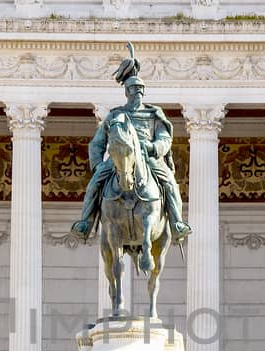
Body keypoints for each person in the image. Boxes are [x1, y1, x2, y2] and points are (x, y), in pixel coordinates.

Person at [71, 45, 190, 241]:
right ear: (127, 92)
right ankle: (85, 222)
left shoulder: (153, 114)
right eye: (134, 91)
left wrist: (152, 147)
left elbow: (164, 139)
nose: (138, 95)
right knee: (94, 184)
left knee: (169, 183)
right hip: (119, 160)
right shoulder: (116, 115)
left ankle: (177, 223)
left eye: (140, 91)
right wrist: (99, 165)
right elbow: (97, 143)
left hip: (147, 158)